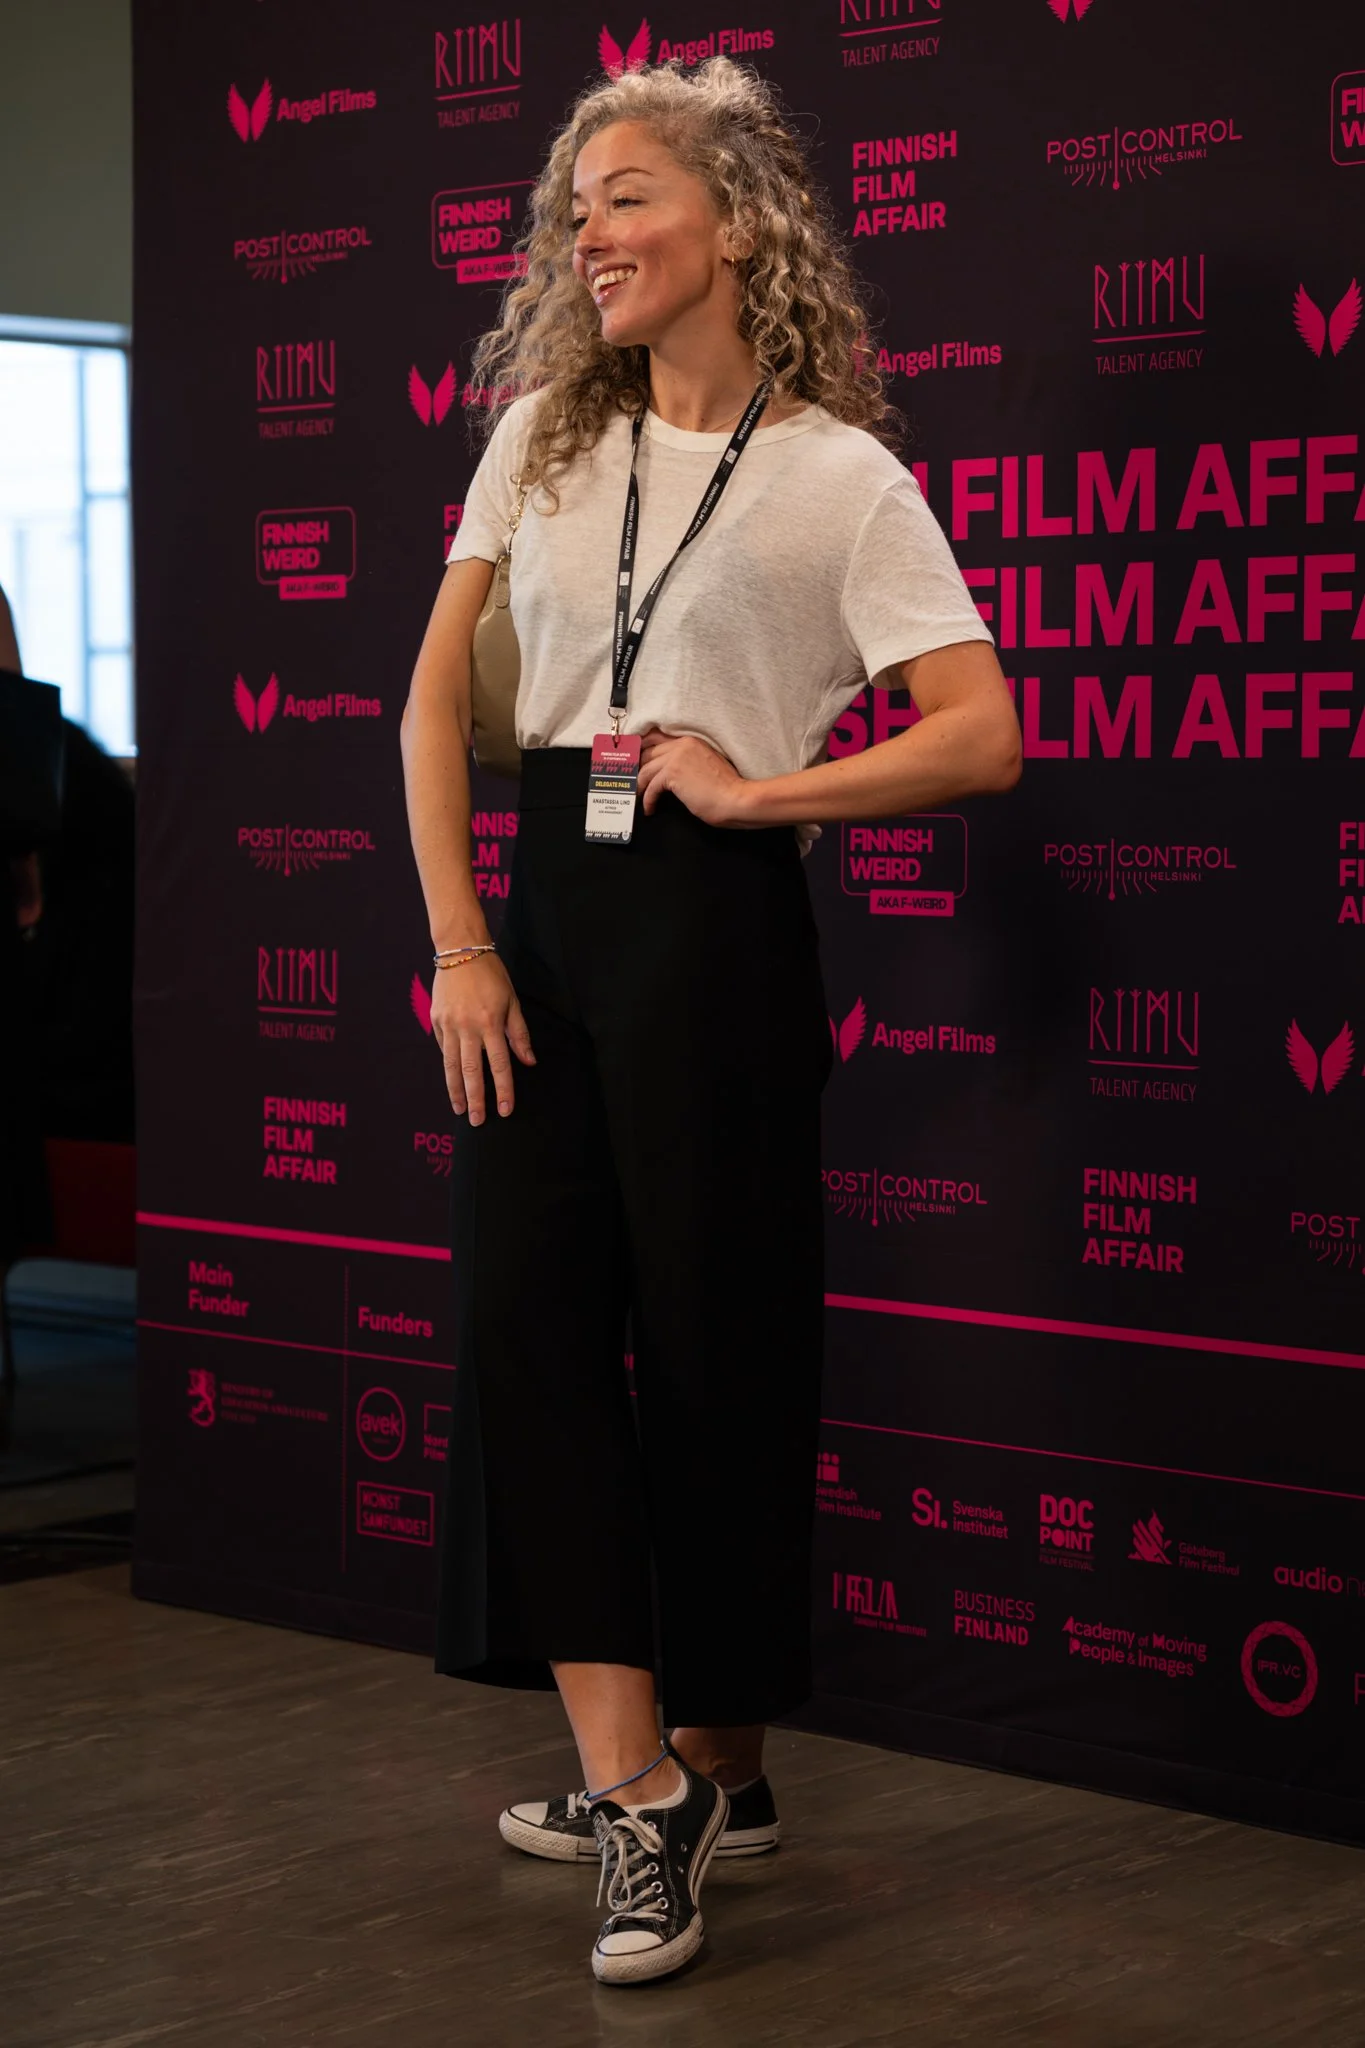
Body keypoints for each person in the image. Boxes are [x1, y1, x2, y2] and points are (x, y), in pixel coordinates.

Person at [401, 56, 1021, 1987]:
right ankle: (636, 1784)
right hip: (543, 917)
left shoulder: (845, 474)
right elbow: (435, 711)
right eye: (573, 203)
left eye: (630, 191)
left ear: (738, 219)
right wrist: (464, 946)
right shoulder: (539, 443)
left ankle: (720, 1765)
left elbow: (981, 730)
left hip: (717, 928)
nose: (586, 229)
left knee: (722, 1349)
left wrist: (760, 794)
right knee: (526, 1326)